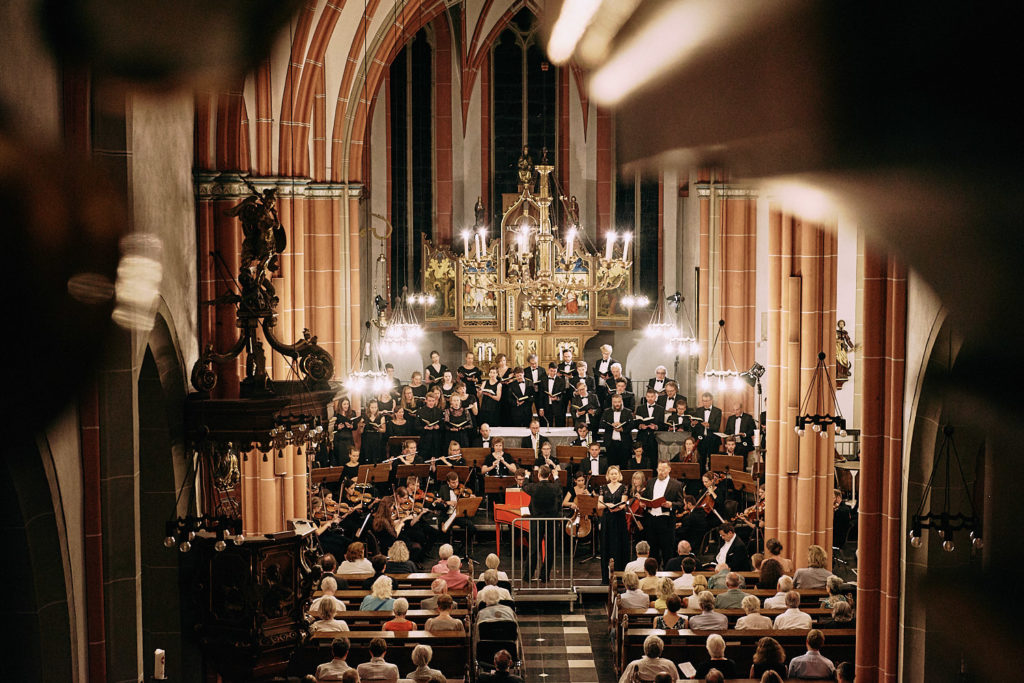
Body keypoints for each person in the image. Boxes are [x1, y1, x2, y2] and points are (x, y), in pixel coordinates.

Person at [523, 465, 563, 582]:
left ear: (539, 475)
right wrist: (556, 477)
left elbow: (524, 486)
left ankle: (528, 576)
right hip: (552, 521)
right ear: (549, 475)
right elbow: (559, 486)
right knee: (550, 549)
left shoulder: (534, 487)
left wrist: (526, 476)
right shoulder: (555, 487)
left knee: (534, 548)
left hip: (536, 521)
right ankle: (545, 576)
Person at [643, 461, 685, 566]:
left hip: (666, 521)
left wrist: (671, 504)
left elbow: (681, 504)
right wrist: (643, 503)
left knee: (667, 551)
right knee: (652, 551)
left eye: (664, 469)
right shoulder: (651, 482)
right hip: (651, 520)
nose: (661, 472)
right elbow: (646, 498)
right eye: (659, 469)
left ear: (669, 470)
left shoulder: (676, 484)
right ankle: (653, 575)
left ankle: (668, 576)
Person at [598, 465, 629, 582]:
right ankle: (606, 578)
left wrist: (615, 508)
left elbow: (623, 504)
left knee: (619, 546)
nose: (614, 476)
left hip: (619, 519)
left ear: (619, 475)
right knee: (606, 546)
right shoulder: (603, 487)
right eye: (611, 474)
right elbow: (599, 504)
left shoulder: (624, 487)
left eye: (616, 473)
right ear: (608, 475)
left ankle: (620, 577)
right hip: (607, 519)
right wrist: (608, 505)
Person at [634, 387, 665, 463]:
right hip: (642, 437)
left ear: (655, 397)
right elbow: (635, 423)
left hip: (654, 438)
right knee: (641, 459)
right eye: (648, 397)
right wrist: (640, 426)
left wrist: (656, 426)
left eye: (652, 397)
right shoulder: (640, 408)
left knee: (653, 459)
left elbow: (662, 424)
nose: (650, 398)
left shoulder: (660, 409)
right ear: (646, 397)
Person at [693, 392, 723, 470]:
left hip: (713, 439)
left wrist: (708, 425)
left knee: (713, 462)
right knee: (701, 461)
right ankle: (701, 479)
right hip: (701, 439)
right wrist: (693, 424)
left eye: (706, 401)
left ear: (711, 401)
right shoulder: (698, 410)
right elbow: (696, 426)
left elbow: (717, 427)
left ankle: (712, 478)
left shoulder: (717, 411)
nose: (704, 403)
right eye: (703, 401)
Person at [535, 362, 567, 427]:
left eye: (554, 371)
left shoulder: (561, 380)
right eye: (551, 371)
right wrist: (541, 408)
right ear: (548, 370)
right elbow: (540, 395)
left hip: (558, 406)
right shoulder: (543, 380)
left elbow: (563, 394)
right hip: (546, 406)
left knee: (559, 425)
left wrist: (557, 398)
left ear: (557, 370)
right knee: (546, 425)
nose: (553, 373)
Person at [332, 398, 359, 467]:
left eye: (347, 404)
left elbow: (355, 427)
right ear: (340, 405)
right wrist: (338, 427)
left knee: (349, 457)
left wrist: (351, 426)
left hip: (349, 439)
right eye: (344, 404)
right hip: (339, 440)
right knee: (340, 459)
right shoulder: (336, 414)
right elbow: (332, 428)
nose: (346, 406)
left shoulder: (352, 413)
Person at [359, 399, 386, 464]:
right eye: (372, 407)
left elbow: (384, 430)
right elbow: (361, 432)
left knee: (376, 457)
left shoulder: (381, 417)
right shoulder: (364, 416)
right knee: (367, 457)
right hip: (367, 438)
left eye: (375, 407)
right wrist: (362, 426)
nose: (374, 409)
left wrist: (378, 429)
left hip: (377, 438)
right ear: (369, 408)